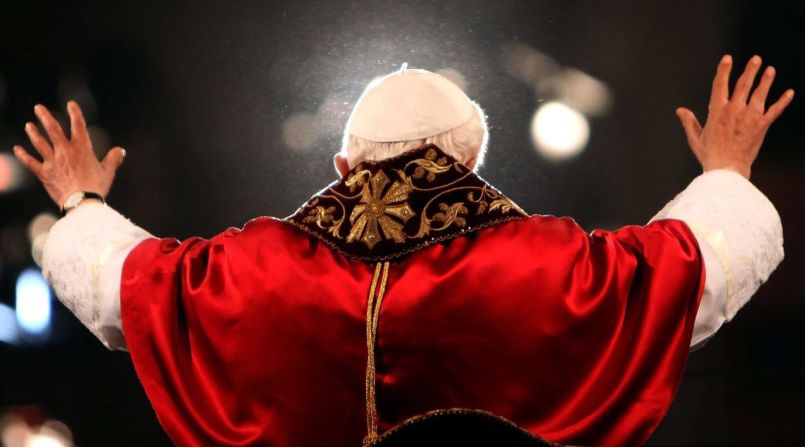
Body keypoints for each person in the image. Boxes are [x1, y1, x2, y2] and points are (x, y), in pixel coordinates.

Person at [12, 55, 792, 446]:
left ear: (344, 168)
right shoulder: (549, 269)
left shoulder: (255, 274)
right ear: (470, 163)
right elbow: (689, 269)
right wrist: (725, 169)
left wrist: (80, 202)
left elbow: (132, 287)